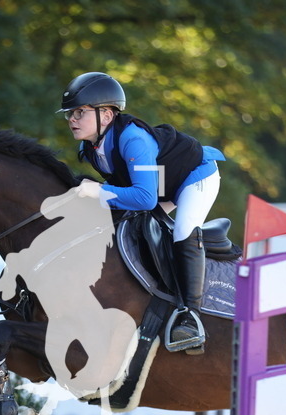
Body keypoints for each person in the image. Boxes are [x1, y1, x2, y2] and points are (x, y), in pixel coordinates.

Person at [58, 71, 224, 354]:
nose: (72, 119)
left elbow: (145, 198)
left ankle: (190, 316)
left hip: (195, 177)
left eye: (80, 112)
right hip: (161, 184)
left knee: (183, 229)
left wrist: (98, 192)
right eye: (70, 113)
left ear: (107, 115)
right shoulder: (90, 148)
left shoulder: (133, 139)